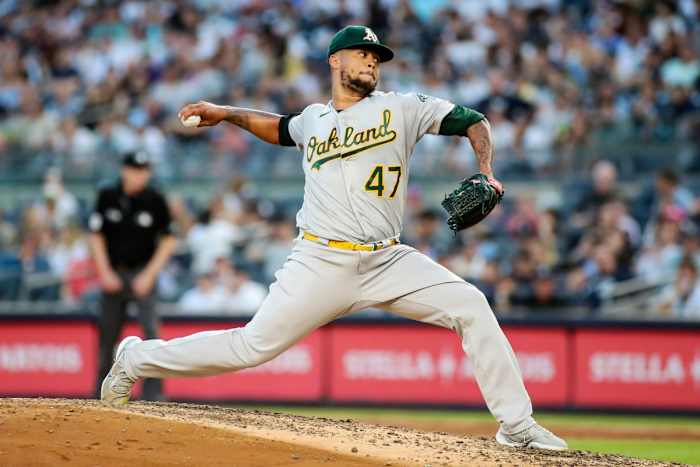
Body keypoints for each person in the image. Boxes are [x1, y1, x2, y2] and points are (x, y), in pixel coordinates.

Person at [101, 26, 567, 450]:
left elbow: (473, 119)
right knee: (251, 346)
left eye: (376, 57)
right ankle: (136, 358)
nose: (371, 62)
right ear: (334, 61)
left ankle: (516, 425)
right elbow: (278, 127)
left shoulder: (402, 107)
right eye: (361, 54)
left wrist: (486, 170)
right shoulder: (312, 121)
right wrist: (226, 114)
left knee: (471, 305)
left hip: (388, 260)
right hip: (320, 261)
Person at [91, 151, 176, 401]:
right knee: (107, 335)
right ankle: (100, 393)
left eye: (144, 171)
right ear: (124, 170)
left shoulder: (155, 199)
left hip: (143, 271)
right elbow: (96, 235)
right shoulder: (107, 196)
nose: (140, 175)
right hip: (114, 272)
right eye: (136, 170)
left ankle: (154, 395)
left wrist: (149, 275)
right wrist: (104, 272)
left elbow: (169, 239)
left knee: (151, 333)